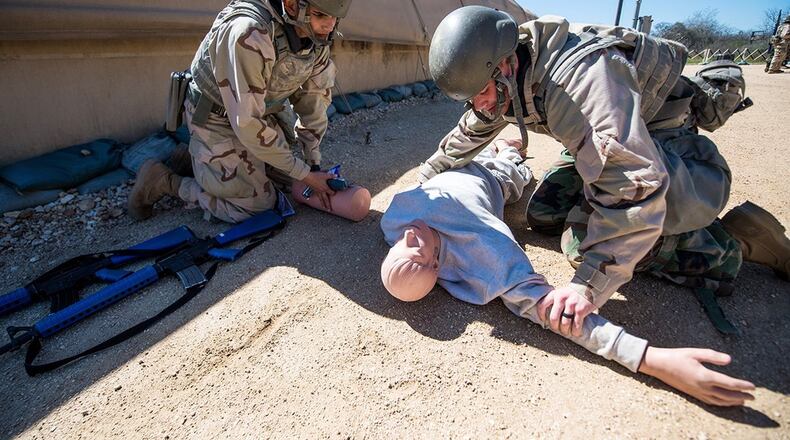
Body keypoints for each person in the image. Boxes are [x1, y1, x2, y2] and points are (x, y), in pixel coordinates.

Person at [419, 6, 789, 333]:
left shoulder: (579, 82)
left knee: (583, 245)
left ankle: (731, 245)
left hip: (669, 155)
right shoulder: (509, 71)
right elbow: (471, 130)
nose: (478, 104)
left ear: (505, 66)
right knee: (545, 213)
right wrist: (423, 188)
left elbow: (632, 184)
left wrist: (587, 287)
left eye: (481, 92)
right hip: (614, 143)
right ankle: (608, 208)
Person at [380, 141, 755, 406]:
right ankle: (726, 242)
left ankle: (526, 152)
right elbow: (550, 309)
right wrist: (650, 359)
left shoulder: (393, 222)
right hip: (495, 179)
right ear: (436, 267)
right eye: (420, 253)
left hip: (455, 161)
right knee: (517, 171)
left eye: (403, 245)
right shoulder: (483, 250)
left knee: (508, 153)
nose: (410, 235)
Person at [128, 0, 352, 223]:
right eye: (321, 15)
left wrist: (312, 163)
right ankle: (163, 181)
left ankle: (197, 161)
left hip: (256, 116)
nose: (330, 25)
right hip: (216, 119)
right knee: (255, 206)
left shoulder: (315, 37)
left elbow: (313, 103)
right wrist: (305, 175)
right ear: (292, 6)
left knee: (288, 179)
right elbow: (246, 123)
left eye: (335, 17)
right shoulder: (250, 32)